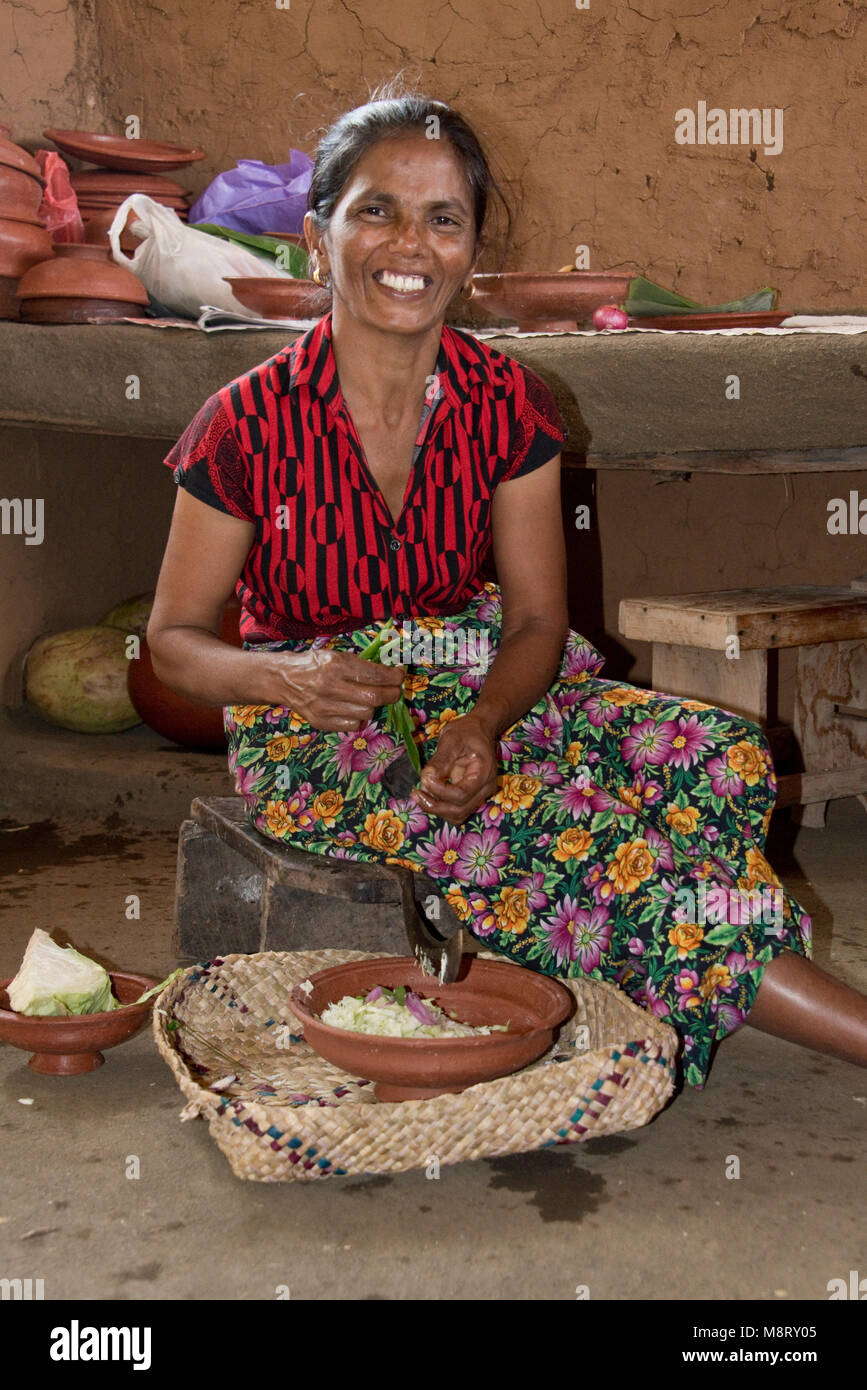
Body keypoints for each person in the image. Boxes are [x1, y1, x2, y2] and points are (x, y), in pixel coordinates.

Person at [148, 82, 867, 1088]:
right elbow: (173, 641)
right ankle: (702, 951)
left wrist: (484, 722)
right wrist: (289, 678)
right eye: (377, 211)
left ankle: (668, 964)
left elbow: (536, 618)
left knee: (724, 758)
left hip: (483, 678)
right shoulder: (248, 423)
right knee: (585, 840)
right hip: (320, 729)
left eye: (444, 217)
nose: (412, 243)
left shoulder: (504, 402)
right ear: (318, 241)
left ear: (473, 251)